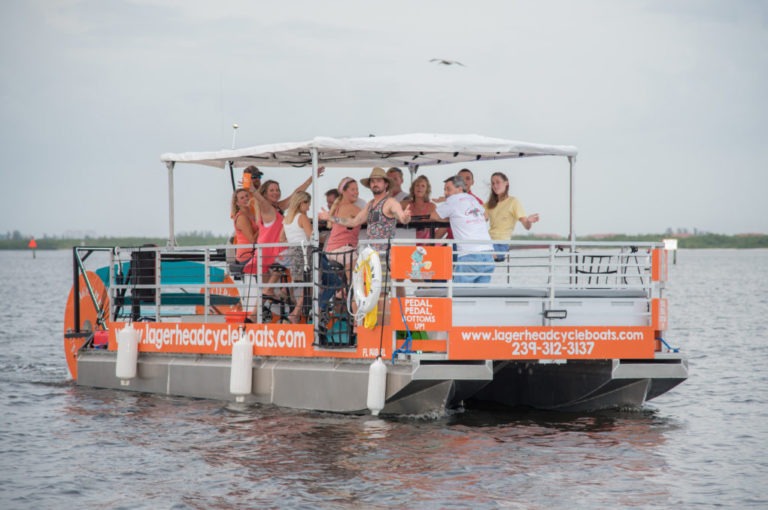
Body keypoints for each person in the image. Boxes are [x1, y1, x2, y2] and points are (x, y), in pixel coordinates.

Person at [430, 175, 495, 284]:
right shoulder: (472, 199)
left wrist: (453, 219)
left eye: (448, 189)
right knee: (479, 296)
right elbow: (486, 216)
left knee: (458, 295)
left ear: (459, 189)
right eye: (445, 189)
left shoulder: (452, 200)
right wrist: (462, 218)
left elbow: (433, 216)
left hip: (469, 253)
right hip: (488, 253)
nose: (446, 192)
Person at [485, 171, 540, 261]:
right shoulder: (489, 205)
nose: (495, 185)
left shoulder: (513, 202)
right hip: (487, 241)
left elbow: (527, 226)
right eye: (493, 183)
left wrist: (529, 221)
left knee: (483, 257)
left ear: (506, 183)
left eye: (498, 182)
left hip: (501, 243)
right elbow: (478, 220)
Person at [276, 191, 312, 323]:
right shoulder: (302, 217)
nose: (308, 207)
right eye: (307, 204)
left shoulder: (287, 219)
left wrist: (293, 243)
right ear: (301, 203)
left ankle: (295, 311)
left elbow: (281, 239)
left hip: (293, 253)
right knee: (310, 284)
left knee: (302, 284)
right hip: (304, 253)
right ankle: (296, 313)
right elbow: (311, 236)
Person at [323, 177, 363, 267]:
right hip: (343, 251)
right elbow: (368, 216)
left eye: (357, 189)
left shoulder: (337, 207)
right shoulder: (350, 208)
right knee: (357, 278)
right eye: (353, 189)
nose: (356, 192)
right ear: (343, 192)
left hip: (331, 251)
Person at [400, 175, 439, 241]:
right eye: (417, 185)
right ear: (413, 188)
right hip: (407, 241)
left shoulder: (432, 206)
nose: (419, 188)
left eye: (423, 186)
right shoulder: (404, 204)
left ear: (427, 190)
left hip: (427, 243)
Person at [231, 188, 259, 264]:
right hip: (246, 255)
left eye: (247, 196)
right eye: (242, 198)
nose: (246, 198)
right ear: (237, 203)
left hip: (255, 252)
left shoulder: (252, 213)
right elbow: (252, 240)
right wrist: (263, 227)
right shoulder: (241, 217)